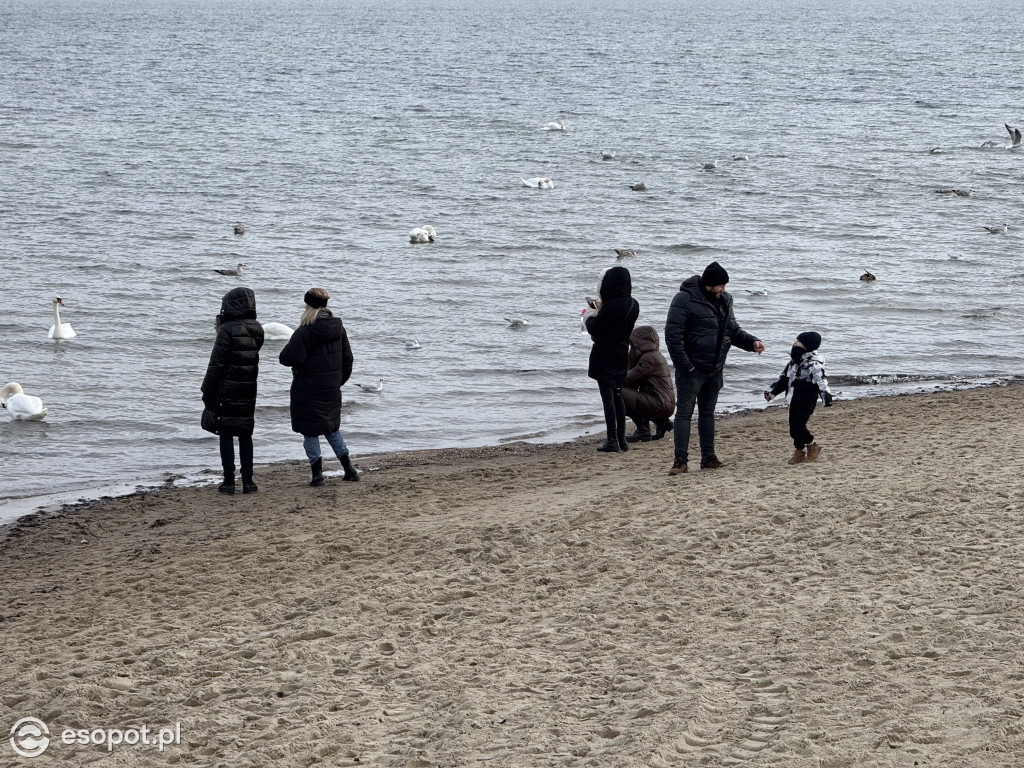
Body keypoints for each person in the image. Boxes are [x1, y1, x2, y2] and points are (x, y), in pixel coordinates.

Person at [664, 261, 764, 474]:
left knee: (707, 414)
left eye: (725, 285)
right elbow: (673, 336)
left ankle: (708, 458)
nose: (723, 290)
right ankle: (680, 460)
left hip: (715, 368)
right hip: (691, 370)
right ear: (708, 284)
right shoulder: (684, 299)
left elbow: (732, 330)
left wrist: (752, 342)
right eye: (720, 285)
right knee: (684, 413)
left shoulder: (725, 300)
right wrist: (686, 366)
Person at [278, 287, 359, 486]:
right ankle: (349, 470)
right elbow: (348, 359)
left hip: (307, 388)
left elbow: (286, 358)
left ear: (308, 305)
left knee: (311, 431)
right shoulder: (338, 328)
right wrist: (336, 382)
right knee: (331, 429)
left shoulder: (305, 331)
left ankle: (317, 475)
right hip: (331, 389)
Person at [201, 287, 265, 495]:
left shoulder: (227, 330)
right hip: (248, 388)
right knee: (245, 433)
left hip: (226, 389)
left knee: (226, 433)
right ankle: (248, 482)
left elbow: (216, 364)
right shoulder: (257, 328)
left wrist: (206, 390)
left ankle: (229, 482)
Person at [582, 266, 640, 452]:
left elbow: (595, 328)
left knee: (607, 398)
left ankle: (612, 440)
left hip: (604, 355)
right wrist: (602, 309)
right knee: (618, 396)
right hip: (621, 353)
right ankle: (622, 439)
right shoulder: (633, 304)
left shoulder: (612, 306)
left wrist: (589, 315)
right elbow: (616, 323)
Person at [764, 331, 833, 463]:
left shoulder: (814, 364)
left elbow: (821, 382)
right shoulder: (793, 363)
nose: (794, 343)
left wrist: (826, 398)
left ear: (806, 346)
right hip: (793, 399)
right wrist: (771, 393)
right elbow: (783, 380)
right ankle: (799, 451)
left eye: (798, 342)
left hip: (806, 400)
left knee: (798, 427)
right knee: (793, 429)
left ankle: (813, 445)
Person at [623, 326, 675, 442]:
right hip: (664, 403)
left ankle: (643, 430)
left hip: (660, 403)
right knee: (632, 394)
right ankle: (662, 423)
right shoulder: (655, 355)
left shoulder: (648, 359)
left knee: (619, 393)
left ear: (640, 342)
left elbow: (627, 379)